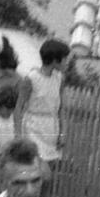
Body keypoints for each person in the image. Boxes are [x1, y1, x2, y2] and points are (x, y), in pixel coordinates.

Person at [16, 39, 69, 168]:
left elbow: (61, 108)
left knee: (49, 172)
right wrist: (18, 136)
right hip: (33, 129)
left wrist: (63, 133)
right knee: (37, 168)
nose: (66, 62)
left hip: (51, 129)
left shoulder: (59, 79)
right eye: (64, 59)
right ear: (55, 60)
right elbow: (18, 108)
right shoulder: (31, 79)